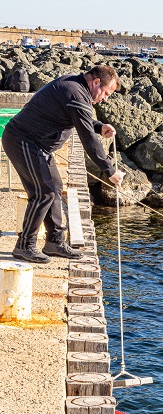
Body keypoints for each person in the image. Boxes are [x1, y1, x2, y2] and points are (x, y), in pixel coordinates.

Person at [2, 65, 125, 264]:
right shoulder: (74, 91)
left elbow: (80, 118)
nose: (105, 98)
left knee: (55, 187)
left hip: (39, 145)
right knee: (44, 192)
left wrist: (99, 126)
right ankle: (25, 245)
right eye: (106, 93)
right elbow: (89, 141)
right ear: (95, 83)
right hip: (23, 140)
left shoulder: (76, 88)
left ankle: (55, 241)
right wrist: (110, 171)